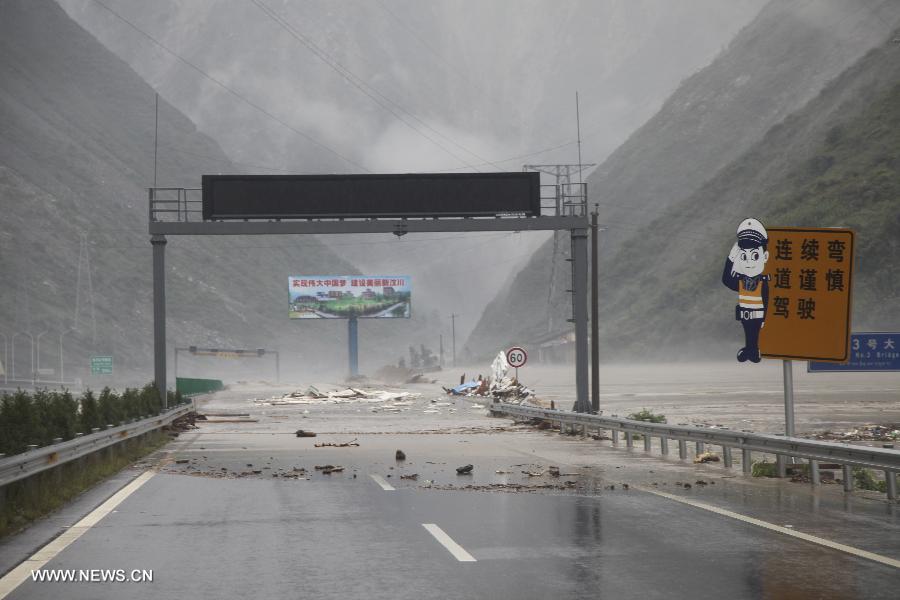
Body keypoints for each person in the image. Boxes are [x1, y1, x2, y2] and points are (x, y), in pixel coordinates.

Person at [722, 218, 770, 363]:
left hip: (757, 315)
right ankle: (749, 349)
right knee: (748, 333)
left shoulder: (763, 282)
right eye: (744, 256)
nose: (748, 261)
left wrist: (764, 319)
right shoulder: (741, 281)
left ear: (765, 257)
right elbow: (726, 279)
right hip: (745, 315)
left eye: (754, 255)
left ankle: (753, 350)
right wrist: (732, 256)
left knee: (754, 334)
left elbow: (766, 299)